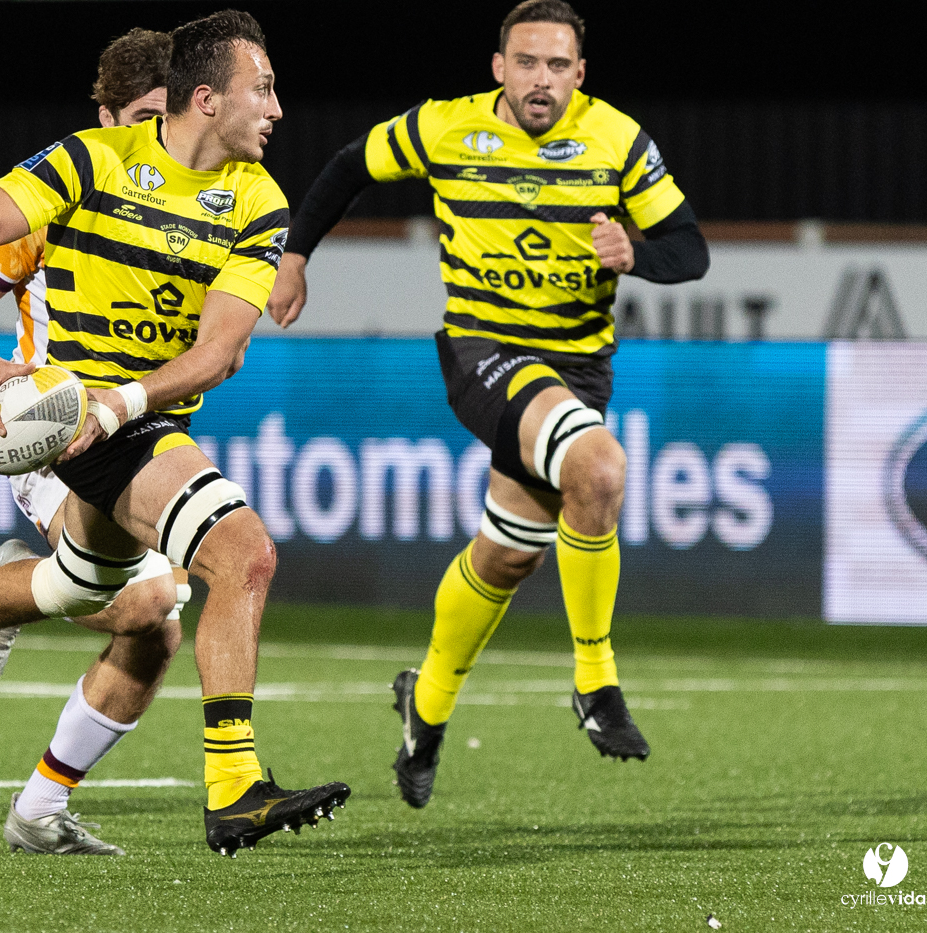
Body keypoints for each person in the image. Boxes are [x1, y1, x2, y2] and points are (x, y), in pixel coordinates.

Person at [0, 9, 349, 857]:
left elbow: (218, 351)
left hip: (126, 418)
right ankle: (234, 786)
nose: (277, 109)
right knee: (240, 556)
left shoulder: (259, 200)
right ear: (206, 99)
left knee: (102, 600)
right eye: (263, 88)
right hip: (64, 424)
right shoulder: (92, 160)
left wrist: (119, 405)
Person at [267, 0, 709, 808]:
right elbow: (348, 166)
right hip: (483, 354)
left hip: (578, 370)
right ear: (499, 67)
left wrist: (636, 253)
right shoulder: (445, 128)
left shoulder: (617, 139)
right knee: (600, 468)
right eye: (528, 63)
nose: (542, 80)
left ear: (581, 75)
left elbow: (691, 249)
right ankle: (595, 682)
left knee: (510, 554)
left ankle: (424, 708)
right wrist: (294, 255)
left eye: (559, 66)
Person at [0, 27, 192, 856]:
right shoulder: (61, 194)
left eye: (171, 115)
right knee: (150, 602)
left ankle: (38, 812)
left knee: (156, 628)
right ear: (106, 113)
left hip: (129, 434)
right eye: (142, 116)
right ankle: (15, 589)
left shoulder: (196, 195)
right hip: (54, 437)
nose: (158, 136)